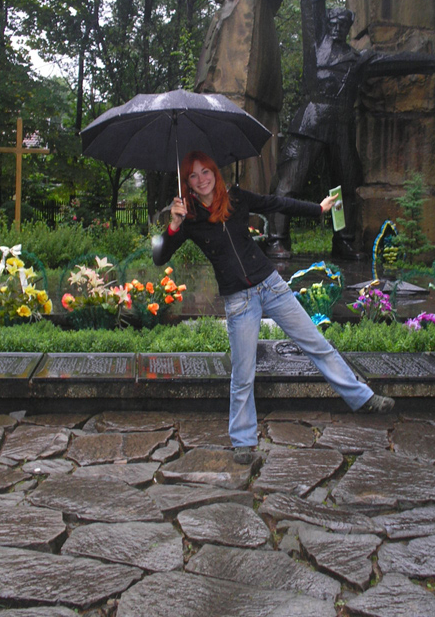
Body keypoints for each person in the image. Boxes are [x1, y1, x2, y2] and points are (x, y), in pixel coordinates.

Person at [153, 150, 394, 465]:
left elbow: (276, 203)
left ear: (214, 172)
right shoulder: (189, 218)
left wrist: (318, 209)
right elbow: (160, 257)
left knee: (317, 344)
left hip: (271, 286)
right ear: (187, 182)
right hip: (239, 301)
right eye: (193, 176)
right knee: (243, 372)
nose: (201, 179)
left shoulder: (236, 198)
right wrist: (174, 225)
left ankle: (363, 398)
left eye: (206, 172)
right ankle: (243, 441)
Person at [268, 0, 435, 260]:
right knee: (290, 182)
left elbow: (395, 63)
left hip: (342, 129)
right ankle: (277, 238)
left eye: (344, 23)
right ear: (327, 24)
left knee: (343, 189)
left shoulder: (358, 60)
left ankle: (343, 240)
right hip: (311, 123)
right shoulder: (316, 45)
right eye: (333, 22)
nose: (338, 27)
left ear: (349, 27)